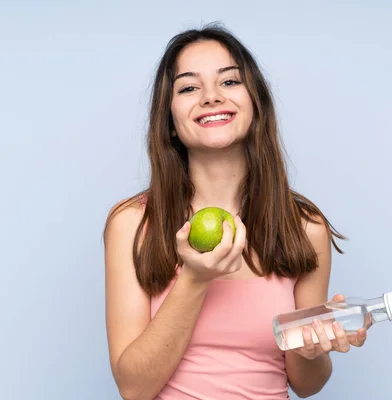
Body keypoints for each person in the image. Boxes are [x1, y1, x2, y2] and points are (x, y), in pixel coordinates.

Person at [103, 24, 368, 400]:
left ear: (256, 103)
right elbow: (133, 387)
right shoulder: (132, 224)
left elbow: (307, 383)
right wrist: (194, 280)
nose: (211, 97)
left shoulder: (304, 227)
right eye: (189, 87)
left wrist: (312, 348)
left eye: (229, 82)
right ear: (170, 121)